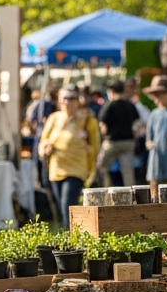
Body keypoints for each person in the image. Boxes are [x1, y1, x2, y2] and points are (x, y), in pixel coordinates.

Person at [38, 87, 99, 215]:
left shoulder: (87, 119)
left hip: (76, 168)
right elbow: (43, 140)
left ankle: (72, 234)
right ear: (59, 101)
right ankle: (68, 232)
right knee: (61, 207)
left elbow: (95, 146)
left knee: (68, 204)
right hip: (56, 168)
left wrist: (88, 152)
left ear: (78, 101)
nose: (67, 102)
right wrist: (45, 147)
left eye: (71, 98)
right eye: (64, 98)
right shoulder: (54, 118)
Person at [95, 81, 140, 186]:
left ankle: (106, 190)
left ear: (111, 92)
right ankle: (131, 197)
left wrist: (104, 137)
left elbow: (103, 126)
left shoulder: (109, 106)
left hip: (112, 142)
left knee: (102, 165)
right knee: (128, 171)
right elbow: (137, 124)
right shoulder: (130, 105)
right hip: (128, 142)